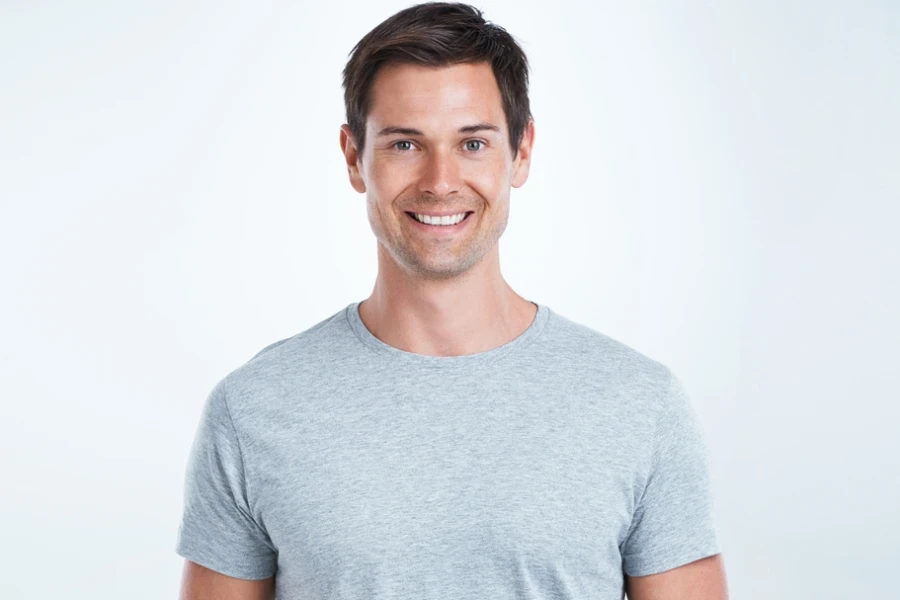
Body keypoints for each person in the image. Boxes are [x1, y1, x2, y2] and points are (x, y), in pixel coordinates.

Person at [174, 3, 729, 599]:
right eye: (406, 144)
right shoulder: (253, 409)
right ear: (353, 157)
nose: (440, 181)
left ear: (521, 152)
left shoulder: (639, 405)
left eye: (472, 143)